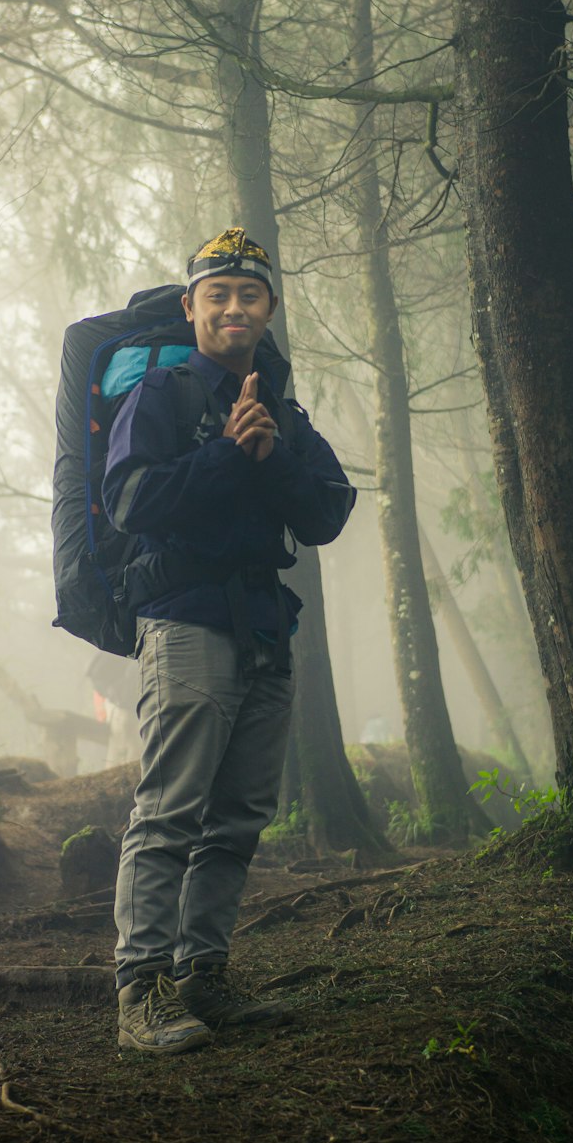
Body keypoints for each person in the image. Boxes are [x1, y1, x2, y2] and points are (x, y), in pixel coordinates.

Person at [102, 227, 355, 1055]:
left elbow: (327, 510)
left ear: (269, 309)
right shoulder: (165, 396)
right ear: (192, 307)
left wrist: (270, 453)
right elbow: (131, 502)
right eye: (218, 294)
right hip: (184, 622)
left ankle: (202, 977)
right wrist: (221, 454)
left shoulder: (281, 411)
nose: (235, 306)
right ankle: (139, 990)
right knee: (170, 808)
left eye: (250, 294)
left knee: (240, 815)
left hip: (263, 629)